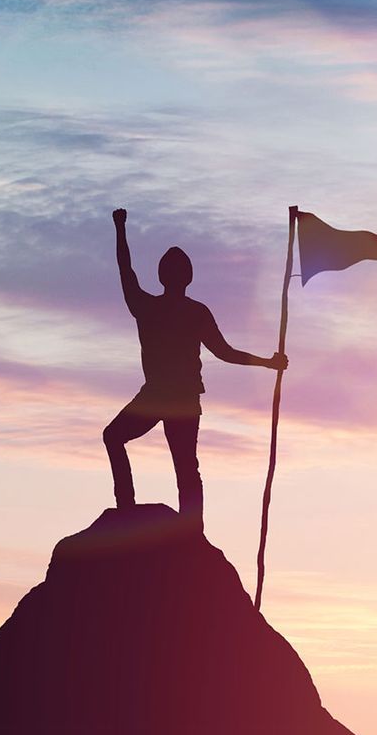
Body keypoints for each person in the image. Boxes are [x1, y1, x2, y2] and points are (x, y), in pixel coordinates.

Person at [103, 207, 285, 526]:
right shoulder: (189, 311)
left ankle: (133, 509)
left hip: (165, 397)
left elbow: (125, 270)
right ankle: (185, 527)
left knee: (126, 442)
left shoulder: (150, 307)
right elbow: (226, 353)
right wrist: (268, 364)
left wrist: (120, 228)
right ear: (187, 278)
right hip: (174, 398)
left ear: (163, 276)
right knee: (185, 466)